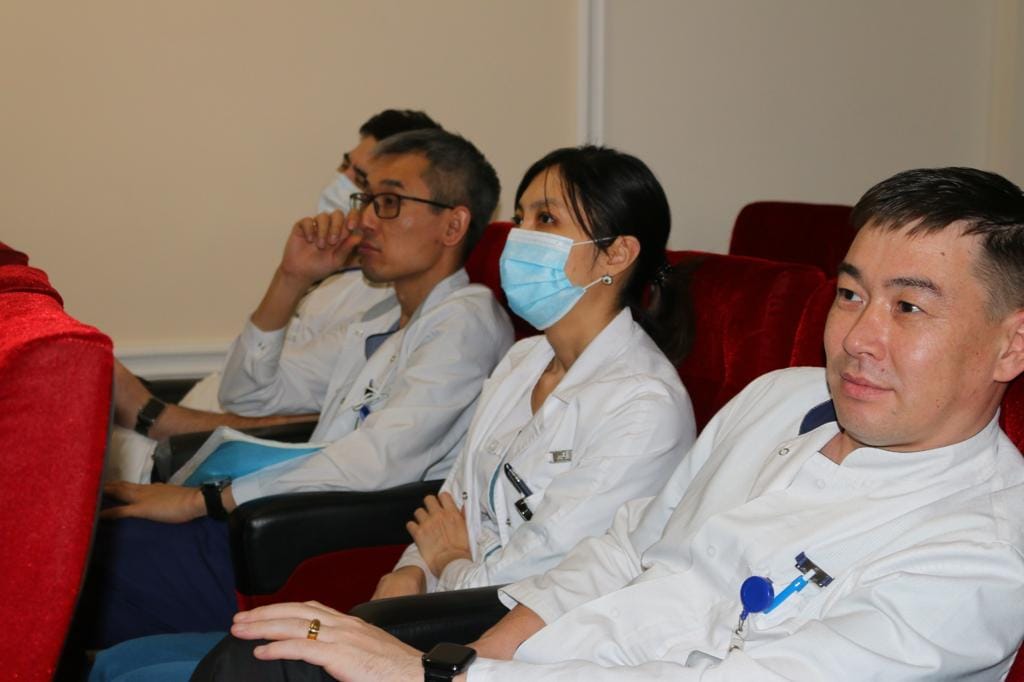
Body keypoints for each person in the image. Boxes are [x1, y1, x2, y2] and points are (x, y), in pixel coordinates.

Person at [195, 166, 1024, 681]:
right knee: (268, 657)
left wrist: (435, 676)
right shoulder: (780, 397)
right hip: (545, 657)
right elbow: (626, 546)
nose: (858, 337)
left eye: (909, 307)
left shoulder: (978, 556)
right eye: (850, 294)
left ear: (1011, 343)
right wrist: (470, 657)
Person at [89, 145, 700, 681]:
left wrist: (446, 563)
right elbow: (450, 504)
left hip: (501, 640)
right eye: (521, 217)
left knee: (233, 660)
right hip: (431, 599)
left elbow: (540, 577)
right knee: (125, 663)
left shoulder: (642, 405)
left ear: (616, 254)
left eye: (546, 220)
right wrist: (406, 575)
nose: (520, 237)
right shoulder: (524, 361)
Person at [84, 128, 514, 648]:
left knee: (92, 564)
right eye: (365, 200)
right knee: (86, 540)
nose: (363, 220)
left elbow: (376, 464)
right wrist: (290, 278)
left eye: (389, 202)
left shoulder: (466, 322)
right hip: (269, 517)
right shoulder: (383, 316)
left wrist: (204, 501)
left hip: (320, 544)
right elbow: (248, 394)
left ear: (453, 224)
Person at [106, 109, 440, 483]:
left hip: (186, 455)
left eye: (363, 183)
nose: (345, 187)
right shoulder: (335, 278)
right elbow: (242, 389)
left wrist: (151, 414)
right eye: (346, 167)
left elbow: (303, 426)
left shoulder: (385, 305)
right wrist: (291, 278)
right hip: (173, 430)